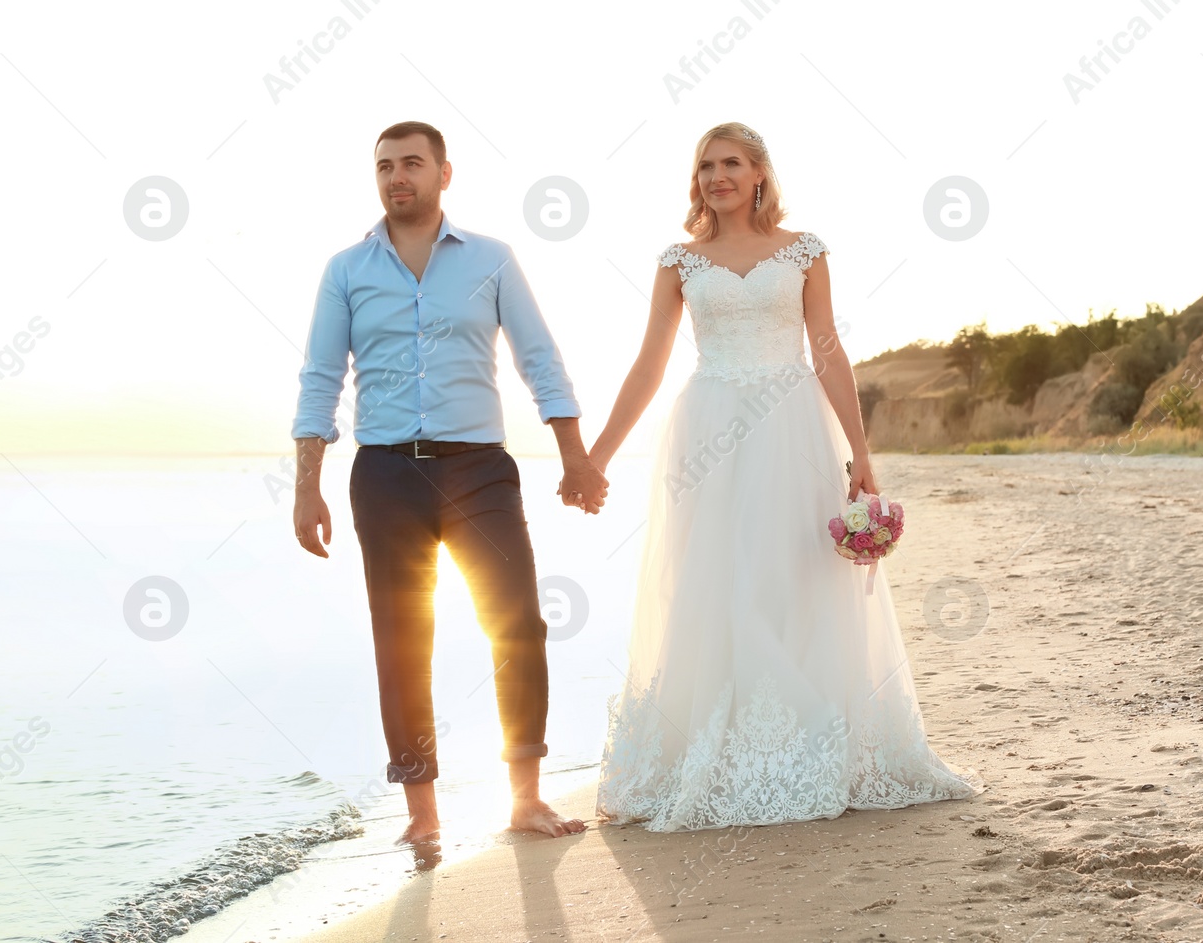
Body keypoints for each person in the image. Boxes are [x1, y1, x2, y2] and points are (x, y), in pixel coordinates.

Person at [584, 122, 982, 831]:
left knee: (795, 576)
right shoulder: (680, 260)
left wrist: (861, 454)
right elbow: (647, 366)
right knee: (716, 582)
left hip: (791, 423)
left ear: (761, 172)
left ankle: (814, 738)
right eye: (705, 165)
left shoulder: (803, 251)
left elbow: (826, 349)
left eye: (731, 163)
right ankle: (722, 746)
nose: (717, 176)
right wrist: (597, 455)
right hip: (707, 430)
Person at [289, 120, 606, 844]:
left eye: (410, 163)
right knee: (402, 638)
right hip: (385, 473)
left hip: (479, 470)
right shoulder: (346, 270)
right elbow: (318, 379)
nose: (396, 176)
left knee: (518, 622)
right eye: (384, 166)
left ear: (443, 173)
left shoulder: (491, 260)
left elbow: (540, 358)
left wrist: (575, 455)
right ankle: (423, 815)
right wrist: (308, 484)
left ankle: (524, 796)